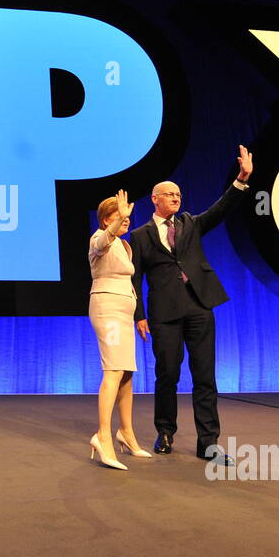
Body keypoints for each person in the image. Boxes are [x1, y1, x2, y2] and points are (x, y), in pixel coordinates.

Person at [131, 145, 253, 465]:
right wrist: (139, 317)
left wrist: (241, 179)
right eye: (169, 194)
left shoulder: (190, 223)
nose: (176, 197)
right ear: (154, 199)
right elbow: (135, 279)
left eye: (179, 194)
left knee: (205, 376)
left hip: (199, 306)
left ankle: (208, 442)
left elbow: (220, 209)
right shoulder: (140, 236)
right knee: (167, 374)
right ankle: (166, 432)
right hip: (164, 314)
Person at [87, 189, 152, 470]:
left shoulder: (125, 246)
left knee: (126, 373)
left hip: (125, 312)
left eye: (126, 216)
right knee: (113, 370)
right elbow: (103, 240)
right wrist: (114, 225)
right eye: (118, 216)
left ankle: (126, 433)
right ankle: (103, 436)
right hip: (107, 310)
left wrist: (139, 315)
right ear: (106, 220)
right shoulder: (99, 240)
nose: (125, 220)